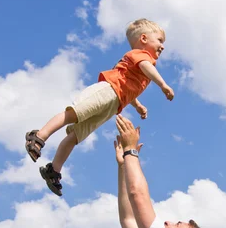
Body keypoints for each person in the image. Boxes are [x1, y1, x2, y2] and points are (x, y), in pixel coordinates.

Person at [25, 18, 174, 197]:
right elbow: (145, 67)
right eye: (160, 40)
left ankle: (53, 171)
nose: (162, 46)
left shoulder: (143, 65)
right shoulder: (141, 56)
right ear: (143, 39)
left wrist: (137, 105)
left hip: (113, 104)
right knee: (73, 114)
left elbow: (128, 88)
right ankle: (39, 136)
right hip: (106, 92)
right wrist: (163, 85)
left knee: (76, 135)